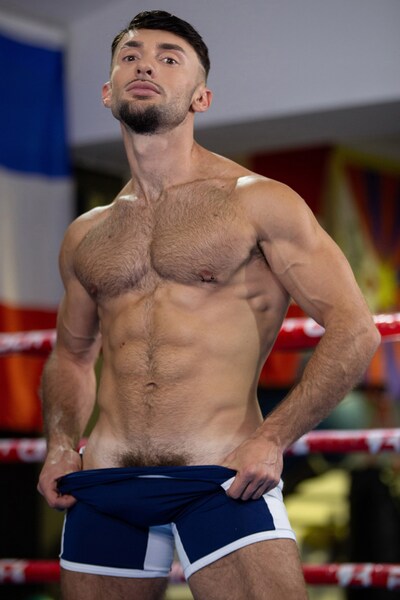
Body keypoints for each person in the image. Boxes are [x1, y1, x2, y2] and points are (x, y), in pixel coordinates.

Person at [37, 10, 380, 600]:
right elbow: (71, 356)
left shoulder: (257, 202)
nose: (145, 65)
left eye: (169, 58)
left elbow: (355, 328)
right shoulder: (86, 234)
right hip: (107, 478)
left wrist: (273, 438)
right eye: (130, 56)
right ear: (107, 91)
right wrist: (61, 445)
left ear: (202, 97)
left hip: (222, 477)